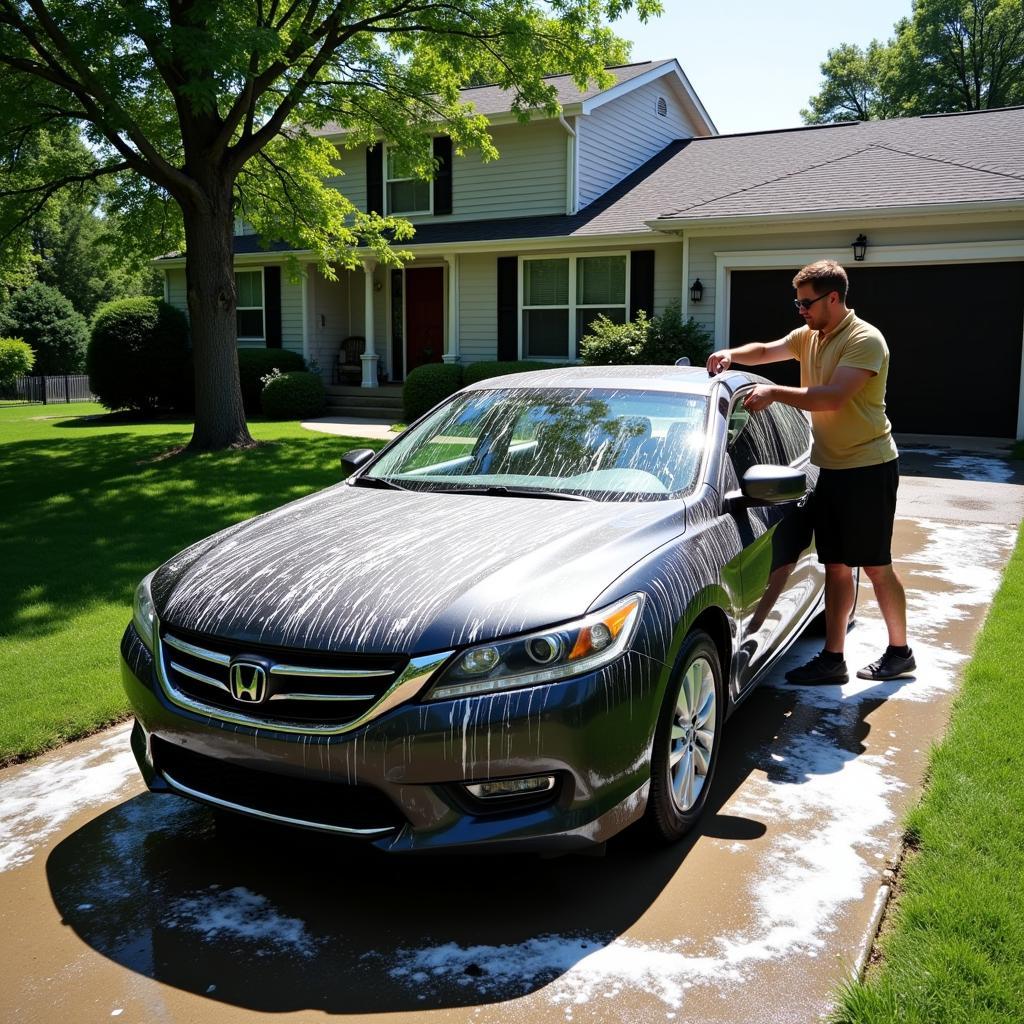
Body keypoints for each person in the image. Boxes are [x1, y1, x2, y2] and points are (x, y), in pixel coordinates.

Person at [706, 259, 914, 684]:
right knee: (836, 565)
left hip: (869, 467)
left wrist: (775, 393)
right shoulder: (810, 336)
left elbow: (833, 397)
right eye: (797, 302)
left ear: (833, 298)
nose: (799, 310)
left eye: (806, 303)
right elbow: (766, 350)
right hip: (831, 467)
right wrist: (730, 354)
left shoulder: (864, 340)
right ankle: (833, 659)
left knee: (875, 565)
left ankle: (900, 651)